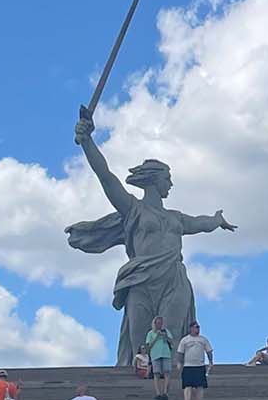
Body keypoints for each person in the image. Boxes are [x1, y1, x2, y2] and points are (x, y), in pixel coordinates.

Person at [69, 109, 238, 367]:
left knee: (171, 336)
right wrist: (87, 142)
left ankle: (174, 382)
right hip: (141, 279)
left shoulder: (176, 217)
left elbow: (199, 223)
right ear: (154, 180)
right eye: (167, 179)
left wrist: (216, 219)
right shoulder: (132, 209)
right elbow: (106, 177)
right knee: (141, 343)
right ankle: (140, 384)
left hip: (173, 279)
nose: (170, 184)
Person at [177, 322, 213, 400]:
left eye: (198, 327)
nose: (197, 329)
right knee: (187, 386)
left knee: (200, 386)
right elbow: (180, 352)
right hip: (188, 366)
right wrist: (179, 362)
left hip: (199, 365)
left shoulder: (203, 339)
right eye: (196, 327)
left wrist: (210, 361)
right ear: (191, 328)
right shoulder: (185, 340)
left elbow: (209, 351)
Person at [146, 316, 176, 400]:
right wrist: (156, 337)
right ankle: (158, 393)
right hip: (155, 355)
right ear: (154, 324)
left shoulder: (166, 331)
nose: (159, 325)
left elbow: (172, 342)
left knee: (167, 373)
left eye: (161, 323)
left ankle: (165, 392)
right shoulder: (150, 333)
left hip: (166, 354)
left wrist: (165, 336)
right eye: (158, 323)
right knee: (156, 374)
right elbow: (149, 346)